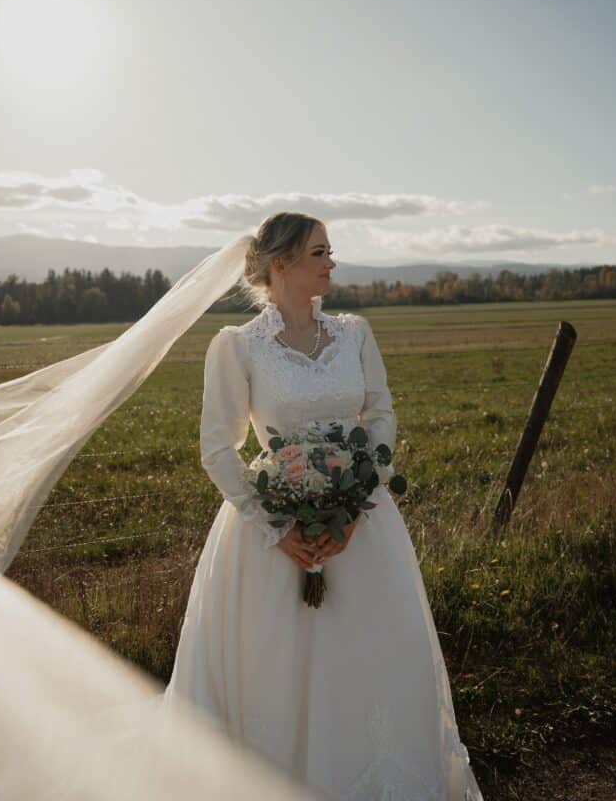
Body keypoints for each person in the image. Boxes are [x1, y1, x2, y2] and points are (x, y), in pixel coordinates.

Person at [164, 211, 484, 800]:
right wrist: (272, 527)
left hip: (361, 529)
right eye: (320, 253)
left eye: (330, 251)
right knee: (279, 677)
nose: (331, 263)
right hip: (274, 535)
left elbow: (381, 416)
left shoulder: (354, 333)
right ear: (281, 263)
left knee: (373, 669)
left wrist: (358, 503)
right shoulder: (236, 347)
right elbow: (218, 446)